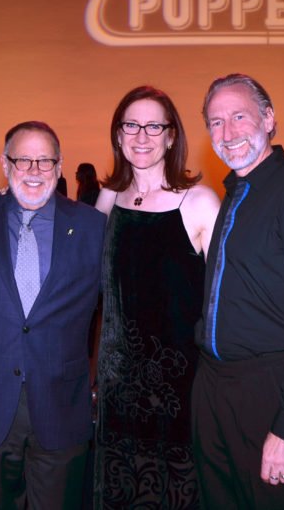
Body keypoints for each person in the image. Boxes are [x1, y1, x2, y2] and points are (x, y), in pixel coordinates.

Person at [192, 74, 284, 509]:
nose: (227, 132)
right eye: (215, 122)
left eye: (239, 116)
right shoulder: (236, 192)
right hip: (215, 388)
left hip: (268, 391)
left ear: (269, 119)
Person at [0, 121, 105, 509]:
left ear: (59, 168)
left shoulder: (93, 226)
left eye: (45, 161)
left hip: (62, 408)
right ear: (6, 165)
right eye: (24, 160)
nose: (35, 171)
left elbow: (122, 306)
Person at [92, 86, 220, 509]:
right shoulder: (109, 198)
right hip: (117, 384)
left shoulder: (198, 202)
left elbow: (226, 298)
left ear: (171, 136)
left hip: (177, 388)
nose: (141, 135)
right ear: (117, 134)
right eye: (131, 124)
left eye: (154, 126)